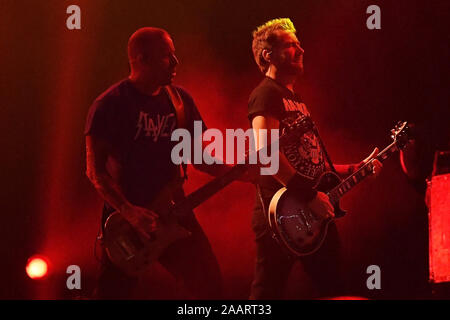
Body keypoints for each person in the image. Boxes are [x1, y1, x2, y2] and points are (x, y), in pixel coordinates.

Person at [85, 27, 228, 299]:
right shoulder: (109, 105)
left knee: (209, 287)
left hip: (174, 210)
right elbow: (95, 172)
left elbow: (198, 157)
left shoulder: (180, 102)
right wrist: (129, 212)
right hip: (127, 223)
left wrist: (241, 172)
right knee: (112, 295)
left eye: (173, 55)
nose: (175, 63)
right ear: (141, 59)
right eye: (166, 56)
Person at [247, 18, 383, 299]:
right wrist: (308, 196)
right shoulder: (265, 94)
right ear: (268, 55)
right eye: (290, 45)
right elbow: (266, 154)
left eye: (299, 44)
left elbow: (313, 164)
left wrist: (355, 169)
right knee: (266, 294)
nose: (301, 50)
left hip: (311, 212)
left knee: (335, 290)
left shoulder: (295, 99)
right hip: (281, 214)